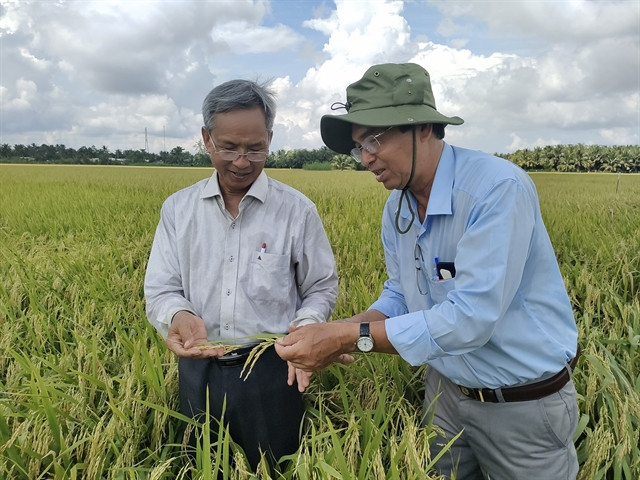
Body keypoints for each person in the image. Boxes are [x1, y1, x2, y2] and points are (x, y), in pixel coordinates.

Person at [275, 63, 579, 480]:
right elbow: (400, 295)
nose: (365, 159)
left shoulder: (496, 190)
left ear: (422, 127)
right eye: (358, 147)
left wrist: (347, 337)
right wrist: (337, 332)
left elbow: (469, 321)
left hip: (521, 403)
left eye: (375, 140)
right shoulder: (397, 207)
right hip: (445, 393)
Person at [144, 79, 338, 472]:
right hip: (199, 369)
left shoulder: (296, 211)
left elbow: (320, 286)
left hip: (273, 370)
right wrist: (179, 316)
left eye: (255, 148)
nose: (242, 161)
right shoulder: (178, 210)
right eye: (229, 147)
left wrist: (305, 329)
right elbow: (162, 287)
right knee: (201, 466)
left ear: (269, 137)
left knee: (274, 466)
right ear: (206, 138)